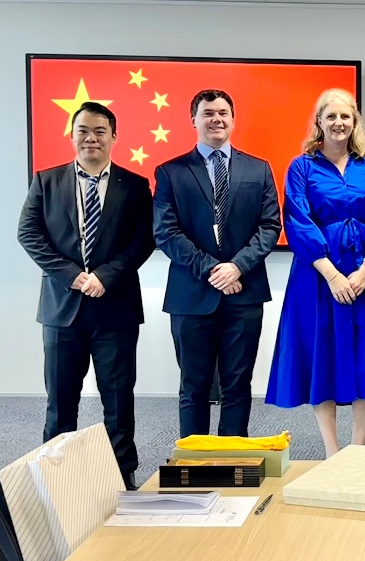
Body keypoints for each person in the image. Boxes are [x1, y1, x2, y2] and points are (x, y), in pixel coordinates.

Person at [18, 102, 154, 490]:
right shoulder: (46, 181)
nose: (91, 138)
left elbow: (143, 239)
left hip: (116, 308)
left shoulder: (135, 185)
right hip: (62, 310)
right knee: (61, 400)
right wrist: (73, 277)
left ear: (114, 137)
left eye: (99, 131)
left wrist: (105, 276)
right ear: (72, 135)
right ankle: (56, 478)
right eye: (83, 130)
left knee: (118, 398)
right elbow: (29, 234)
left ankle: (122, 473)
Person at [265, 89, 365, 456]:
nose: (339, 123)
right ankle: (331, 450)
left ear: (354, 122)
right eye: (332, 117)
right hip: (317, 276)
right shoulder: (302, 167)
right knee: (321, 354)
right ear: (319, 123)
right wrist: (332, 275)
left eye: (346, 117)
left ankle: (358, 449)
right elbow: (297, 219)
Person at [153, 89, 281, 438]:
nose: (216, 119)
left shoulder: (259, 169)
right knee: (193, 386)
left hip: (245, 293)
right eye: (208, 113)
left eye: (223, 113)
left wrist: (237, 267)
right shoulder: (170, 172)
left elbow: (270, 226)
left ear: (233, 120)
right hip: (191, 296)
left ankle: (231, 461)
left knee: (238, 385)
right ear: (193, 120)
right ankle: (193, 463)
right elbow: (166, 232)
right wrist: (213, 269)